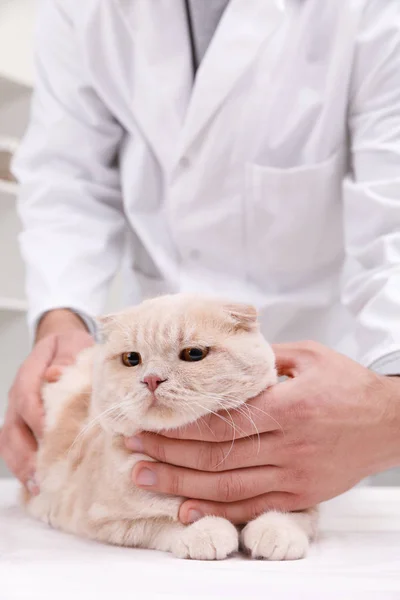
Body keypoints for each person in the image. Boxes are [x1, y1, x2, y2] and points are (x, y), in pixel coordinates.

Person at [1, 0, 400, 524]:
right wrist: (62, 317)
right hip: (142, 414)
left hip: (315, 393)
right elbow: (67, 179)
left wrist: (387, 410)